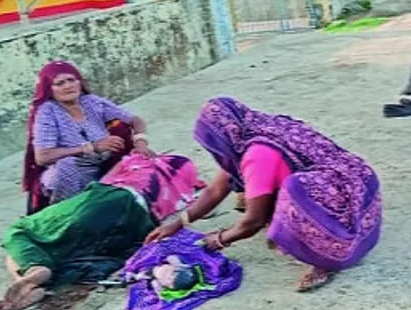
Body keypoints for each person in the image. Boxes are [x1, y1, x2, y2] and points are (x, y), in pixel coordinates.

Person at [145, 97, 382, 292]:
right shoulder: (254, 130)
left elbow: (252, 222)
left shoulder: (256, 155)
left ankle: (327, 256)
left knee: (293, 191)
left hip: (343, 196)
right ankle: (307, 224)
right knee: (254, 187)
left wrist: (217, 239)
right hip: (361, 186)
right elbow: (216, 190)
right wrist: (178, 223)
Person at [0, 152, 202, 310]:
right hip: (138, 225)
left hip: (108, 198)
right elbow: (196, 202)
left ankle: (32, 273)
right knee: (62, 251)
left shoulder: (139, 162)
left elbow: (106, 179)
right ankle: (32, 277)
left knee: (19, 231)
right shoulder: (184, 190)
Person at [24, 60, 156, 213]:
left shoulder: (91, 102)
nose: (68, 86)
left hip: (104, 165)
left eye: (71, 80)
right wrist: (92, 147)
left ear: (79, 82)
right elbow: (42, 156)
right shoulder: (47, 112)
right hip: (73, 173)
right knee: (67, 165)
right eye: (59, 83)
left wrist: (140, 142)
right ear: (50, 89)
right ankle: (70, 213)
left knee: (153, 164)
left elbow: (135, 120)